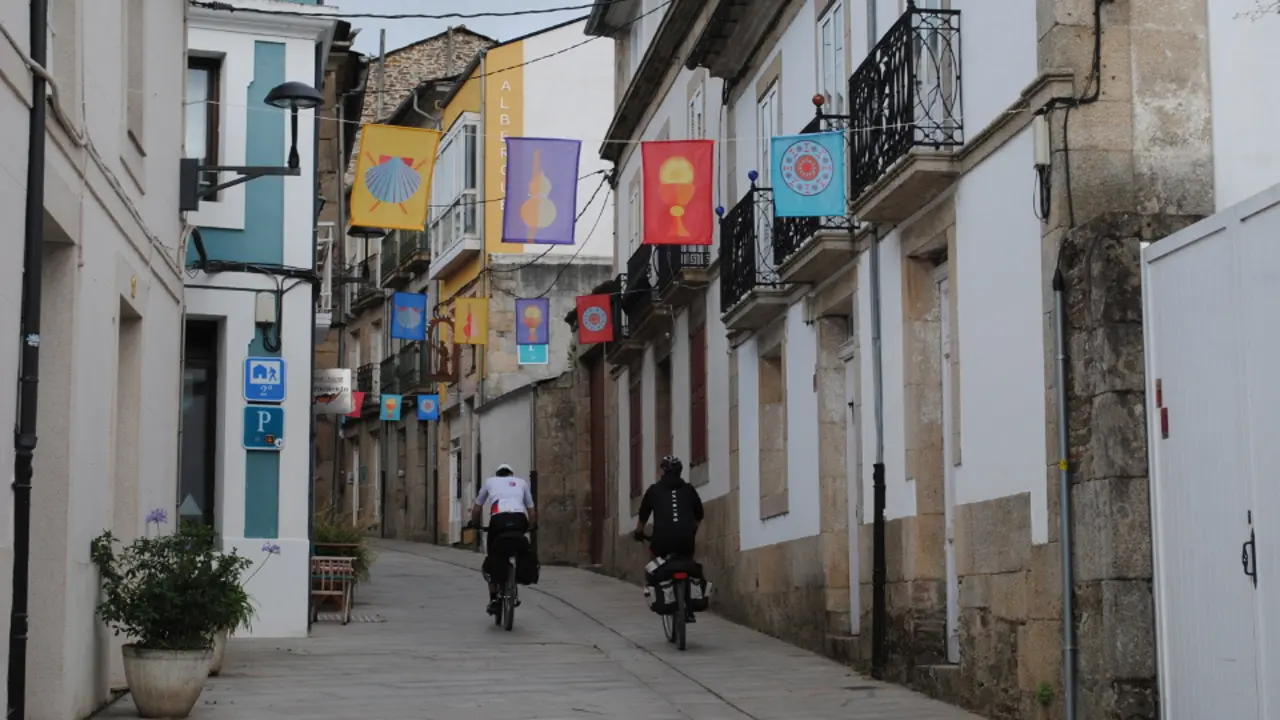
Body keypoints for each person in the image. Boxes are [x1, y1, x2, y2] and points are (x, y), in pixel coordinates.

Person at [634, 455, 704, 620]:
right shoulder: (689, 489)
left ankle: (659, 591)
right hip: (686, 541)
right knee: (688, 559)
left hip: (661, 542)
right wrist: (692, 530)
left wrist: (639, 532)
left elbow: (643, 515)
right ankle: (689, 605)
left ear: (663, 472)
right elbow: (699, 515)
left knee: (653, 560)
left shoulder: (653, 490)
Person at [471, 463, 537, 616]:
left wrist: (474, 524)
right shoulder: (521, 483)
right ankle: (516, 577)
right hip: (519, 519)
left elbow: (477, 507)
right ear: (511, 474)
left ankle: (494, 598)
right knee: (520, 546)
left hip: (498, 520)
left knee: (493, 555)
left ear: (497, 474)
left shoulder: (490, 482)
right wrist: (532, 526)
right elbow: (531, 511)